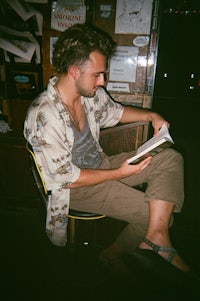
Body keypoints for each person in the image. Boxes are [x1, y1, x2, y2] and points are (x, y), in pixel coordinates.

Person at [24, 23, 190, 273]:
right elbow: (65, 180)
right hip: (75, 187)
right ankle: (112, 255)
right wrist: (119, 174)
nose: (103, 81)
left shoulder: (89, 95)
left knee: (170, 159)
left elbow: (118, 112)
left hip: (101, 165)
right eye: (97, 74)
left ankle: (155, 237)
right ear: (74, 71)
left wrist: (151, 116)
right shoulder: (43, 116)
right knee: (151, 213)